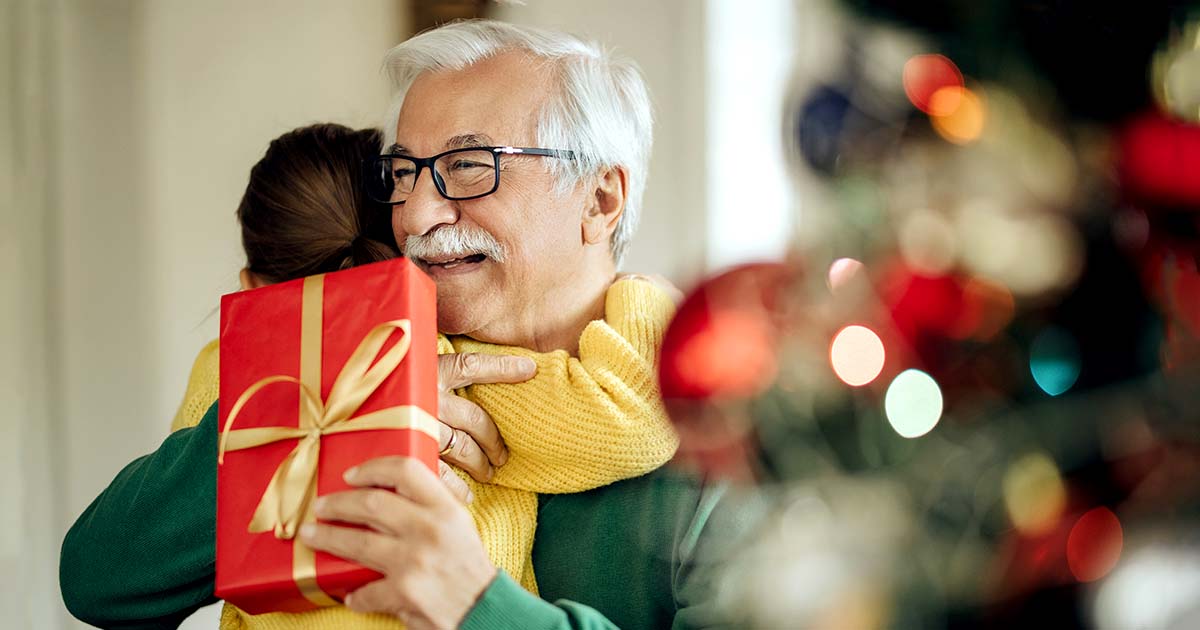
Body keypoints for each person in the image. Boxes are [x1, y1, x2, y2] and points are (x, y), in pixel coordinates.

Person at [61, 20, 748, 630]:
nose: (414, 217)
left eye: (469, 167)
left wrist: (476, 605)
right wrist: (322, 423)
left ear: (600, 198)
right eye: (402, 174)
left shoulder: (727, 444)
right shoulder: (345, 368)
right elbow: (99, 580)